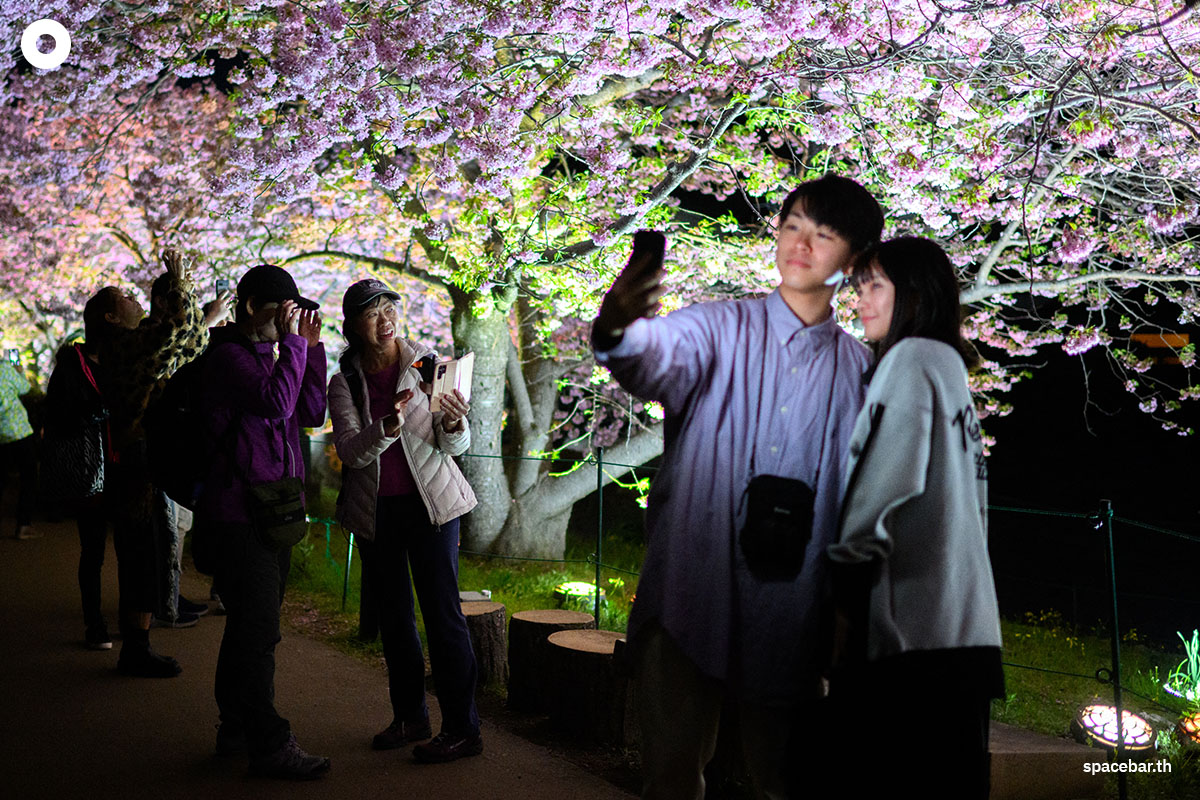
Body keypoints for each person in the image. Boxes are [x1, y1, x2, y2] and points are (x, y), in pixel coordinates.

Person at [592, 174, 884, 799]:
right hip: (690, 591)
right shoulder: (719, 328)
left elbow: (868, 506)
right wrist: (618, 327)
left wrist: (847, 608)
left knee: (787, 781)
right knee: (670, 778)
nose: (800, 244)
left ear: (853, 263)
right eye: (792, 225)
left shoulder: (862, 375)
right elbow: (651, 354)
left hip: (798, 609)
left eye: (824, 234)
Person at [826, 236, 1003, 798]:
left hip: (907, 635)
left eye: (875, 286)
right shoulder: (948, 366)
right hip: (964, 630)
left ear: (915, 295)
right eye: (858, 288)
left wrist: (842, 595)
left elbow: (879, 487)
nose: (860, 302)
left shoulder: (909, 360)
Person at [328, 279, 481, 763]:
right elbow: (351, 452)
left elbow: (454, 446)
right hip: (377, 513)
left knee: (443, 617)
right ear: (353, 325)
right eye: (372, 312)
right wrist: (387, 426)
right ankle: (411, 716)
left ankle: (463, 729)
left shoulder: (428, 368)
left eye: (390, 307)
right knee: (395, 620)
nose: (385, 318)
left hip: (432, 508)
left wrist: (456, 422)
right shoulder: (346, 382)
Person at [200, 263, 329, 779]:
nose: (288, 322)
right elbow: (276, 404)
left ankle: (235, 727)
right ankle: (270, 744)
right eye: (281, 312)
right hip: (238, 516)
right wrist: (294, 348)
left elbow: (311, 411)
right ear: (251, 307)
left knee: (248, 630)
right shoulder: (229, 357)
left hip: (272, 511)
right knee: (258, 632)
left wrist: (312, 349)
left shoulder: (272, 355)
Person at [96, 249, 209, 677]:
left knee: (145, 552)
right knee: (140, 553)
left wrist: (189, 294)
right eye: (122, 296)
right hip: (135, 459)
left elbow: (191, 341)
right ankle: (136, 648)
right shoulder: (123, 347)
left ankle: (139, 644)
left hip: (141, 455)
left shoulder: (130, 343)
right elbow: (178, 329)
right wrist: (179, 283)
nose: (132, 296)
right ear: (110, 317)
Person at [43, 303, 112, 649]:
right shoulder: (72, 366)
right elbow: (58, 415)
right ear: (108, 318)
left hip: (125, 464)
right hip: (90, 470)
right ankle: (94, 622)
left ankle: (134, 621)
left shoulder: (127, 356)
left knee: (131, 548)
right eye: (125, 300)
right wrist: (97, 411)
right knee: (94, 549)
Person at [0, 351, 39, 540]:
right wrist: (19, 371)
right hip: (18, 430)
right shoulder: (5, 369)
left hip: (1, 435)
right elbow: (24, 388)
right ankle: (23, 525)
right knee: (29, 477)